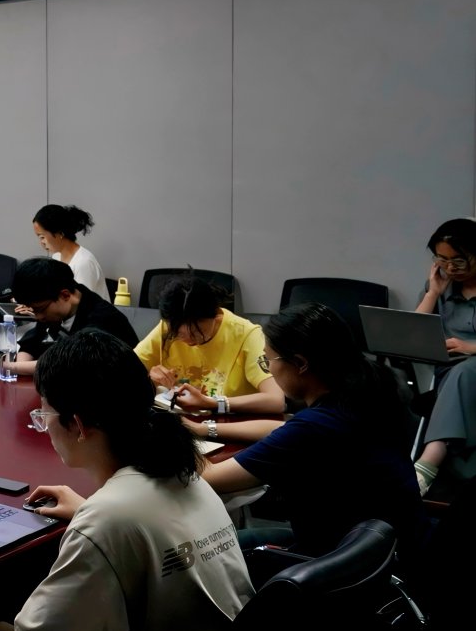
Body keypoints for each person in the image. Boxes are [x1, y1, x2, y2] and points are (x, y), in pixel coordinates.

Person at [0, 330, 252, 631]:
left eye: (44, 414)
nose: (43, 425)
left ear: (77, 424)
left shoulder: (108, 518)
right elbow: (149, 526)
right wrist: (89, 511)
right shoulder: (183, 472)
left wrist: (93, 518)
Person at [199, 303, 425, 556]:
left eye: (268, 360)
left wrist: (172, 439)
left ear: (300, 363)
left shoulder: (312, 429)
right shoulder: (371, 391)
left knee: (211, 552)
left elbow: (208, 479)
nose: (269, 369)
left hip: (333, 563)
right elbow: (284, 429)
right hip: (382, 551)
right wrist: (203, 428)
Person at [132, 277, 285, 415]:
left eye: (197, 333)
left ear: (215, 314)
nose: (188, 341)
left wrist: (213, 403)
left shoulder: (247, 335)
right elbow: (123, 373)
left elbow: (276, 400)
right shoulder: (167, 329)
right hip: (179, 423)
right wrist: (148, 378)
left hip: (228, 426)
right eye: (179, 334)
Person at [0, 257, 135, 377]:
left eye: (40, 309)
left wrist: (1, 367)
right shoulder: (56, 309)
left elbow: (67, 364)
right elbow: (32, 343)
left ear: (65, 295)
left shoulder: (102, 320)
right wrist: (17, 368)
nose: (38, 317)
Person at [412, 218, 476, 497]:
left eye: (459, 260)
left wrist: (472, 347)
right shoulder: (440, 286)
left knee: (466, 370)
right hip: (448, 375)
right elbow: (409, 338)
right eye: (442, 259)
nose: (450, 268)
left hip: (467, 371)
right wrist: (433, 293)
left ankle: (428, 462)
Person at [33, 204, 104, 297]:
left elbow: (81, 302)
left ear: (60, 233)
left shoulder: (83, 263)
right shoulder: (57, 257)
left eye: (42, 237)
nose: (41, 243)